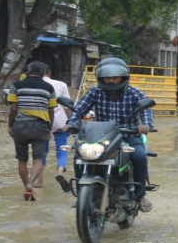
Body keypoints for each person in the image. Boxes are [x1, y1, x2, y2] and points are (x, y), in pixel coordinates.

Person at [65, 58, 154, 212]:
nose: (111, 81)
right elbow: (79, 109)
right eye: (107, 78)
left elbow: (146, 110)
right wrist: (71, 123)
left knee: (139, 156)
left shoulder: (135, 93)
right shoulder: (94, 92)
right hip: (101, 136)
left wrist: (145, 125)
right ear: (101, 78)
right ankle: (82, 195)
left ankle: (140, 196)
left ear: (123, 77)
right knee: (80, 156)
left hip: (128, 135)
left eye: (115, 78)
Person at [7, 61, 57, 201]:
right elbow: (51, 110)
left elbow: (13, 108)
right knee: (38, 159)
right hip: (40, 126)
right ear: (43, 73)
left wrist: (10, 126)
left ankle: (26, 187)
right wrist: (49, 128)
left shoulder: (16, 86)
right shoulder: (49, 88)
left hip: (20, 126)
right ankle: (31, 182)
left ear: (27, 72)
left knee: (22, 160)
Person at [41, 63, 74, 192]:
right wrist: (71, 122)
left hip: (42, 122)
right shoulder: (61, 85)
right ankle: (60, 171)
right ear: (49, 72)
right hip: (60, 122)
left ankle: (39, 179)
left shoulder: (35, 85)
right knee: (62, 149)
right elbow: (67, 106)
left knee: (42, 150)